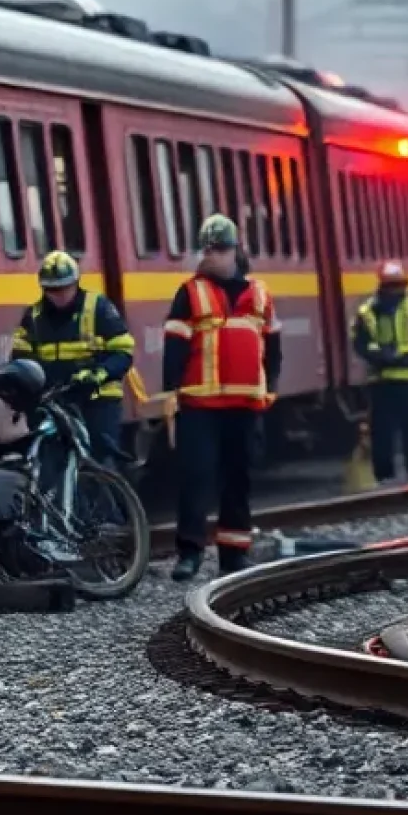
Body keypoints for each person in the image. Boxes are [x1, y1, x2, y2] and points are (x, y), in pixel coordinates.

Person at [163, 212, 282, 582]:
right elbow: (174, 347)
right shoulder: (190, 292)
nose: (214, 255)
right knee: (196, 477)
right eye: (209, 249)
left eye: (221, 249)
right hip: (200, 406)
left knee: (238, 479)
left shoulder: (260, 294)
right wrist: (171, 393)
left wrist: (271, 387)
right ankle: (190, 552)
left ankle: (234, 553)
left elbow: (273, 346)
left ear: (235, 251)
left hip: (244, 406)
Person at [9, 250, 136, 463]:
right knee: (50, 458)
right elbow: (21, 357)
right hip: (54, 400)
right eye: (52, 290)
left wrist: (100, 373)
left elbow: (123, 352)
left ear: (76, 283)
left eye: (64, 288)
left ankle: (105, 492)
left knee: (99, 457)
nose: (59, 295)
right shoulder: (33, 317)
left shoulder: (99, 309)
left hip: (97, 398)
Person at [352, 261, 408, 484]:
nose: (396, 290)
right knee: (381, 431)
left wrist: (407, 356)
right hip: (381, 380)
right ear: (382, 285)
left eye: (399, 285)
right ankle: (385, 476)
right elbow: (360, 343)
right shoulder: (367, 313)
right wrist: (379, 355)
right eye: (391, 285)